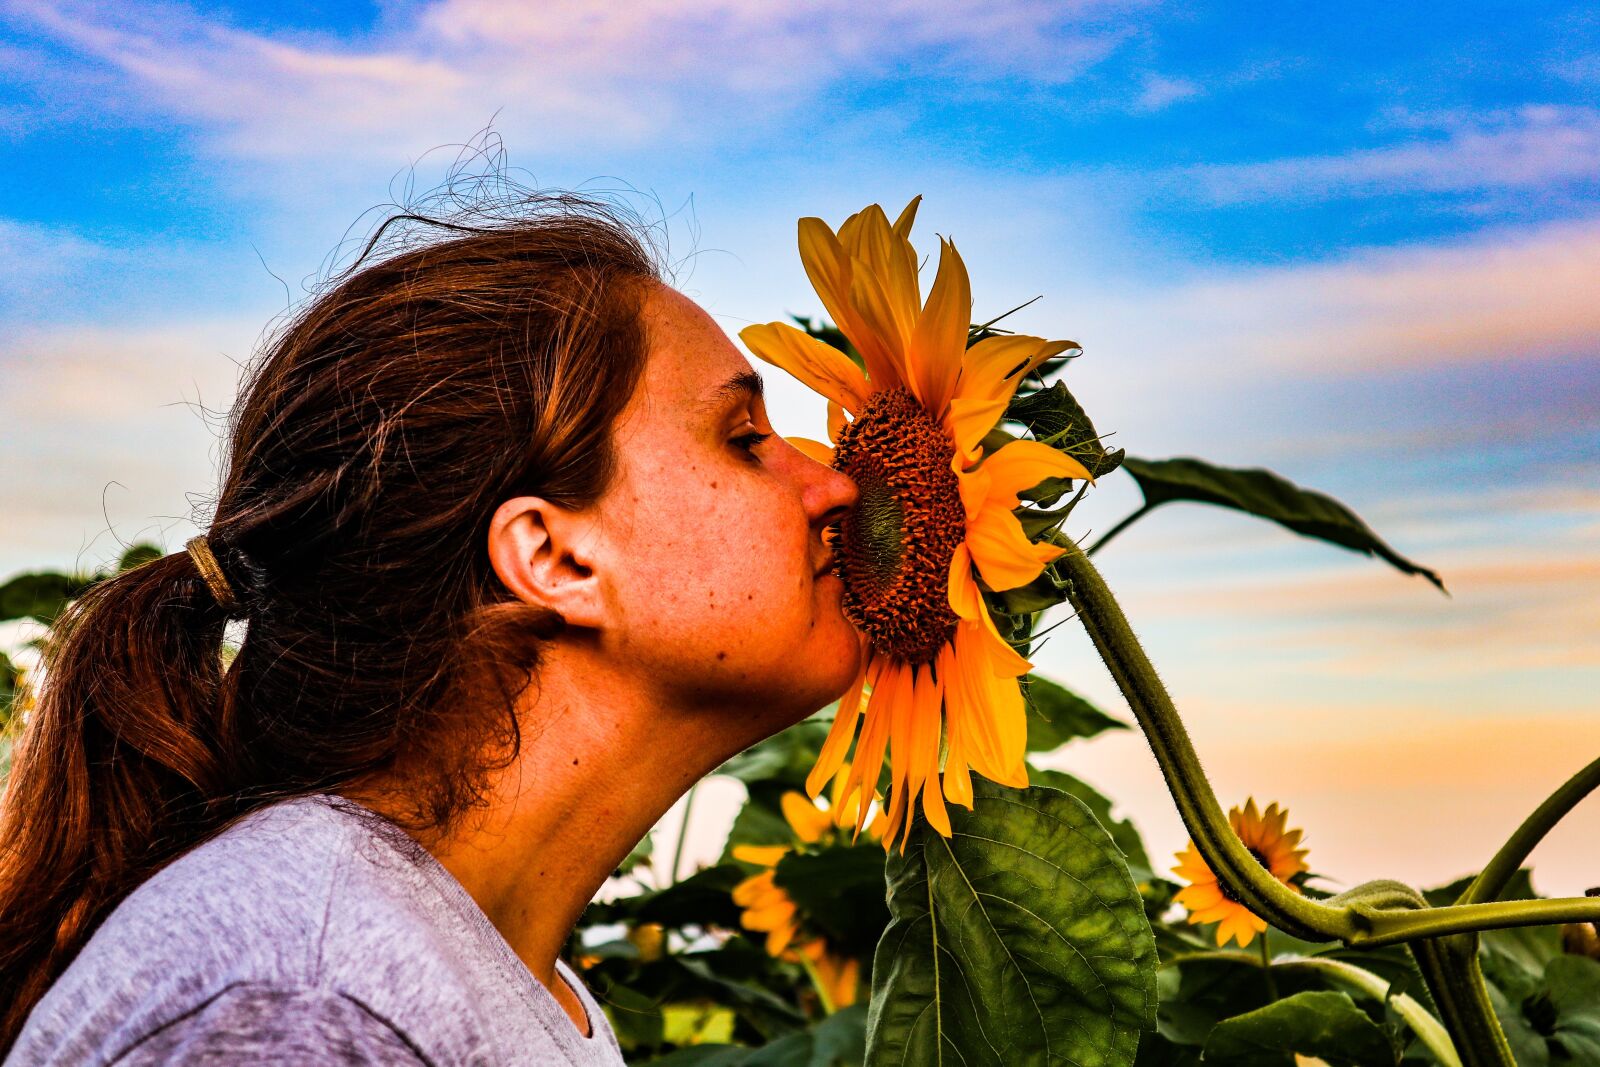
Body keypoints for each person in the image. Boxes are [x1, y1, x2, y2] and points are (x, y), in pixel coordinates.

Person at [0, 195, 861, 1064]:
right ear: (555, 559)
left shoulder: (487, 979)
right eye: (745, 438)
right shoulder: (311, 1004)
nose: (833, 485)